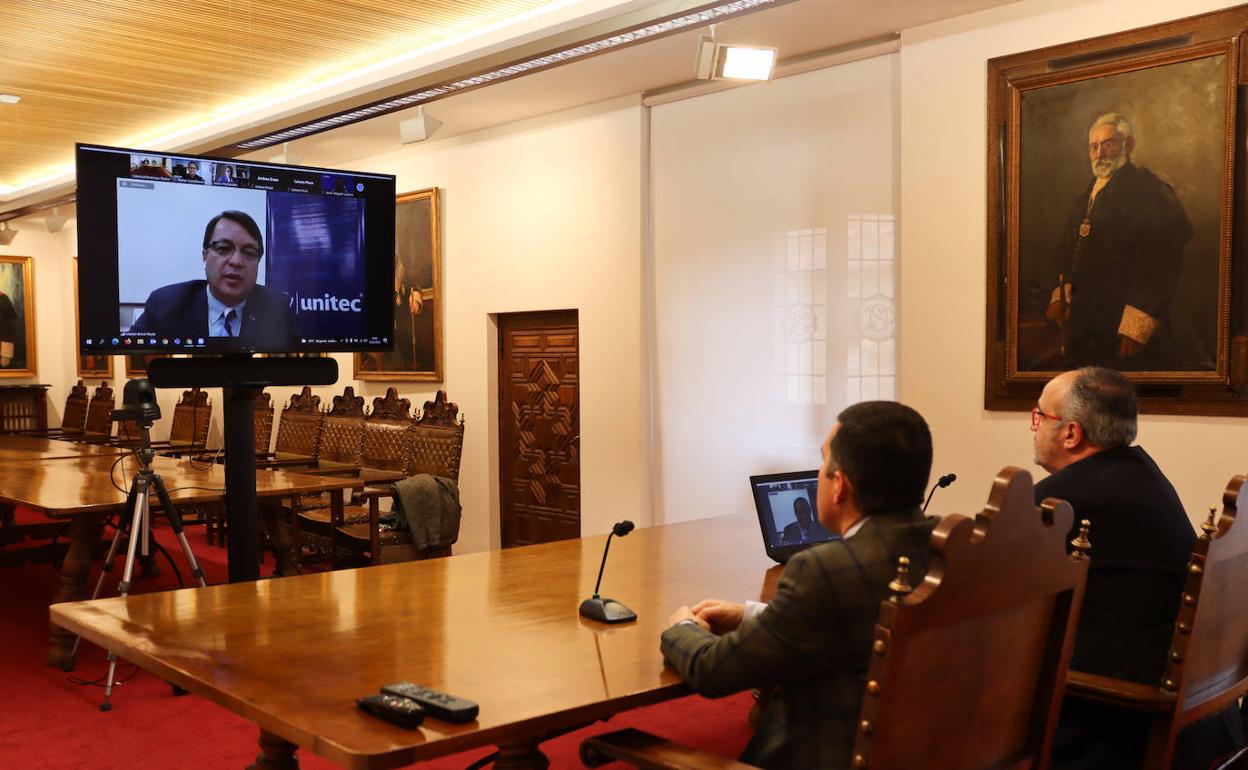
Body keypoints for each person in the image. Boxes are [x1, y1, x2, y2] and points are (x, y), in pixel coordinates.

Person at [661, 401, 938, 769]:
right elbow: (860, 618)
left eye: (824, 462)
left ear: (839, 485)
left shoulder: (825, 570)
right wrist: (751, 614)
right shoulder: (947, 547)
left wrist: (682, 627)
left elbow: (715, 672)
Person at [1030, 366, 1243, 769]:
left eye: (1040, 415)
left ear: (1071, 434)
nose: (1034, 426)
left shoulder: (1061, 500)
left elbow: (987, 599)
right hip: (1204, 722)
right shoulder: (1141, 474)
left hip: (1118, 725)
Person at [1046, 113, 1192, 369]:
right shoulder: (1085, 196)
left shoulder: (1152, 193)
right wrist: (1062, 294)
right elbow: (1068, 251)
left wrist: (1136, 324)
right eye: (1094, 147)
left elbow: (1162, 264)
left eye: (1109, 144)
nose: (1100, 153)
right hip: (1084, 323)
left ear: (1129, 146)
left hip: (1125, 329)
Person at [129, 211, 295, 347]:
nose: (236, 261)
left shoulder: (277, 308)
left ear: (258, 262)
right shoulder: (166, 305)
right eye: (223, 249)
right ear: (205, 255)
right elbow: (128, 345)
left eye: (249, 253)